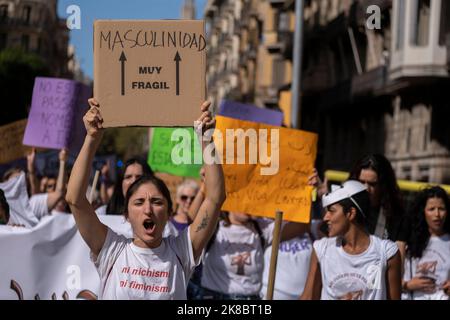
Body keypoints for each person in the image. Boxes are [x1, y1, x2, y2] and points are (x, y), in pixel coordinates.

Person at [65, 98, 225, 299]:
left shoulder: (182, 251)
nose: (148, 209)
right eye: (139, 203)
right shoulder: (111, 250)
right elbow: (75, 199)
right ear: (127, 214)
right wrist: (91, 138)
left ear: (168, 213)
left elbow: (215, 197)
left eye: (157, 202)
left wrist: (207, 138)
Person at [300, 180, 402, 300]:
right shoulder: (321, 249)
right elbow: (308, 297)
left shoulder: (386, 252)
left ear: (350, 213)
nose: (325, 217)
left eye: (331, 211)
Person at [198, 212, 308, 300]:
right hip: (215, 296)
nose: (246, 204)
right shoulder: (214, 226)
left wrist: (307, 194)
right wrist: (203, 192)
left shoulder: (261, 228)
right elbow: (190, 220)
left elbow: (301, 227)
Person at [402, 186, 450, 300]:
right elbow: (386, 278)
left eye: (441, 209)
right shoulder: (407, 241)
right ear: (422, 211)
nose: (437, 214)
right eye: (431, 209)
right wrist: (407, 285)